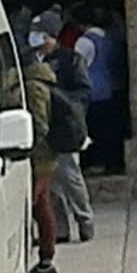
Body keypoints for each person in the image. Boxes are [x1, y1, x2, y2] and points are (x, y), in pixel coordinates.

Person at [38, 41, 96, 246]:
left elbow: (82, 93)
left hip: (63, 126)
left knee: (70, 175)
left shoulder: (70, 59)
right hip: (44, 127)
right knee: (50, 182)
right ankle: (59, 229)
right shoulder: (31, 58)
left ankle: (85, 220)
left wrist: (61, 102)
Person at [68, 13, 126, 178]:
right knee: (109, 128)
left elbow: (78, 66)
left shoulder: (84, 41)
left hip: (92, 92)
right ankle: (111, 162)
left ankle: (96, 163)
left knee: (93, 129)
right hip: (109, 88)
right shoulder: (109, 39)